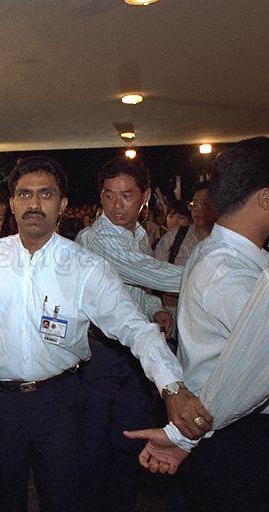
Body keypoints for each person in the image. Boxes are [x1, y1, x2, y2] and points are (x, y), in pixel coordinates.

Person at [0, 155, 206, 512]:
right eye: (24, 194)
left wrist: (172, 385)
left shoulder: (84, 266)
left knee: (62, 492)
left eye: (45, 194)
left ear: (62, 204)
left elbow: (135, 328)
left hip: (59, 400)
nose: (34, 204)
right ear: (12, 203)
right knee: (4, 492)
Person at [124, 137, 269, 511]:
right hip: (234, 434)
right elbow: (256, 368)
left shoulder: (222, 253)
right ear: (265, 199)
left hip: (219, 427)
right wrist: (184, 436)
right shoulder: (227, 272)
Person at [75, 155, 203, 511]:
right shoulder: (94, 238)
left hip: (134, 355)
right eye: (109, 195)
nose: (117, 205)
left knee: (130, 437)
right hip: (99, 353)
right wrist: (210, 273)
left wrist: (156, 309)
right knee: (93, 442)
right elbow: (143, 273)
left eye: (127, 195)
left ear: (145, 196)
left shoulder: (141, 234)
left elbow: (137, 292)